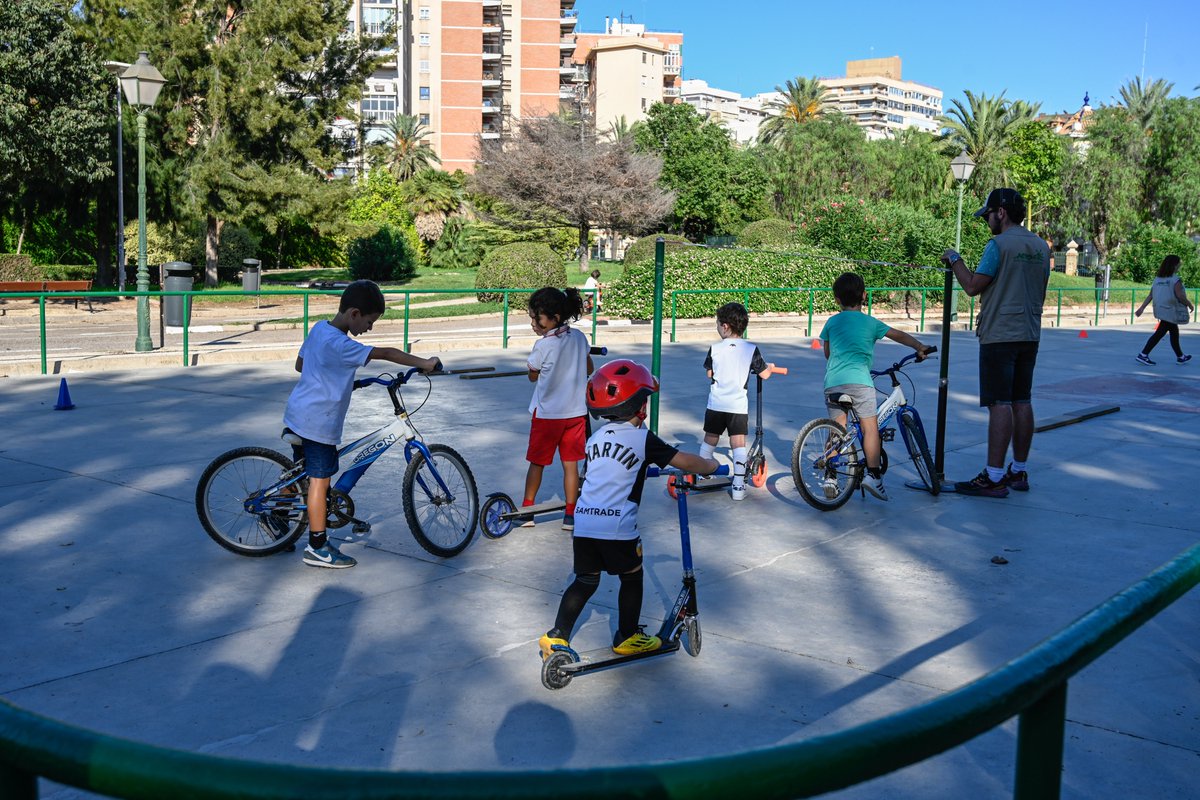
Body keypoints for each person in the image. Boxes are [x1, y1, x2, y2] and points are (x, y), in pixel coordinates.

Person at [538, 360, 719, 658]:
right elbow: (684, 461)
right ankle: (627, 635)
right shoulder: (642, 439)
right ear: (641, 406)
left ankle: (557, 636)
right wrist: (710, 465)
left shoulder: (595, 439)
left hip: (584, 523)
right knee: (632, 574)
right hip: (617, 526)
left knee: (585, 580)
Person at [282, 280, 442, 568]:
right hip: (317, 423)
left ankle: (277, 518)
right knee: (319, 481)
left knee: (301, 476)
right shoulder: (342, 344)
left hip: (299, 414)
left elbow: (301, 365)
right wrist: (425, 363)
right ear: (354, 313)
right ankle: (317, 546)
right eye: (369, 322)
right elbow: (387, 353)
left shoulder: (319, 329)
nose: (369, 328)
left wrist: (342, 381)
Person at [941, 187, 1050, 498]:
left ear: (1001, 212)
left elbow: (973, 286)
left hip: (1000, 334)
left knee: (999, 403)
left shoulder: (998, 245)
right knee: (1022, 401)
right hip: (1030, 332)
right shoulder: (1040, 246)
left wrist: (955, 259)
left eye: (988, 214)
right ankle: (1018, 469)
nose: (987, 220)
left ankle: (993, 476)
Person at [820, 273, 931, 501]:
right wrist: (919, 346)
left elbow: (828, 354)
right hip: (860, 382)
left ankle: (830, 477)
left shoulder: (831, 322)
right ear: (864, 295)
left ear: (837, 299)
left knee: (837, 428)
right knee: (870, 428)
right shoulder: (870, 322)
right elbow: (898, 335)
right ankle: (873, 476)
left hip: (834, 382)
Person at [520, 286, 594, 530]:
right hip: (576, 414)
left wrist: (541, 370)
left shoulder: (543, 345)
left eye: (537, 318)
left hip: (547, 416)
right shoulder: (580, 338)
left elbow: (532, 376)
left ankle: (527, 510)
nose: (533, 323)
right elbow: (589, 368)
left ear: (555, 317)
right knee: (570, 464)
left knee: (537, 462)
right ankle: (570, 514)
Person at [698, 302, 775, 501]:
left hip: (716, 403)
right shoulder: (751, 348)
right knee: (738, 443)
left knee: (711, 438)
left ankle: (702, 474)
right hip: (737, 406)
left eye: (717, 324)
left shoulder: (715, 348)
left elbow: (709, 373)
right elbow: (765, 374)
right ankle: (739, 486)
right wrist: (769, 367)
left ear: (725, 326)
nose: (717, 327)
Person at [1134, 254, 1193, 365]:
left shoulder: (1157, 279)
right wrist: (1189, 304)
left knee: (1174, 332)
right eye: (1179, 264)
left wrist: (1142, 308)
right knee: (1160, 333)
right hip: (1171, 310)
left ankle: (1180, 356)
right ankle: (1143, 354)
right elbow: (1180, 296)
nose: (1180, 265)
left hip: (1160, 309)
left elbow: (1150, 295)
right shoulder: (1175, 280)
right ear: (1174, 265)